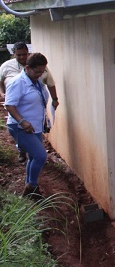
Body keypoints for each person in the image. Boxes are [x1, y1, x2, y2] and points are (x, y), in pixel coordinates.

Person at [0, 42, 59, 163]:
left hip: (35, 115)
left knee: (35, 153)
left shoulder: (39, 68)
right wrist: (2, 94)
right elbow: (8, 100)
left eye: (24, 54)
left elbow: (50, 83)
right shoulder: (8, 68)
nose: (22, 57)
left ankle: (31, 179)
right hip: (19, 115)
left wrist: (55, 99)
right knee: (39, 156)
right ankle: (22, 152)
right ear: (14, 54)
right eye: (19, 55)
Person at [4, 53, 50, 199]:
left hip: (34, 126)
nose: (40, 74)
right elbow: (9, 105)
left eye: (42, 71)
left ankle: (30, 187)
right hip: (20, 127)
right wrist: (22, 121)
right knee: (40, 156)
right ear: (28, 68)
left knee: (33, 157)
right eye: (37, 71)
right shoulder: (18, 83)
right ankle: (31, 187)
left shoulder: (37, 81)